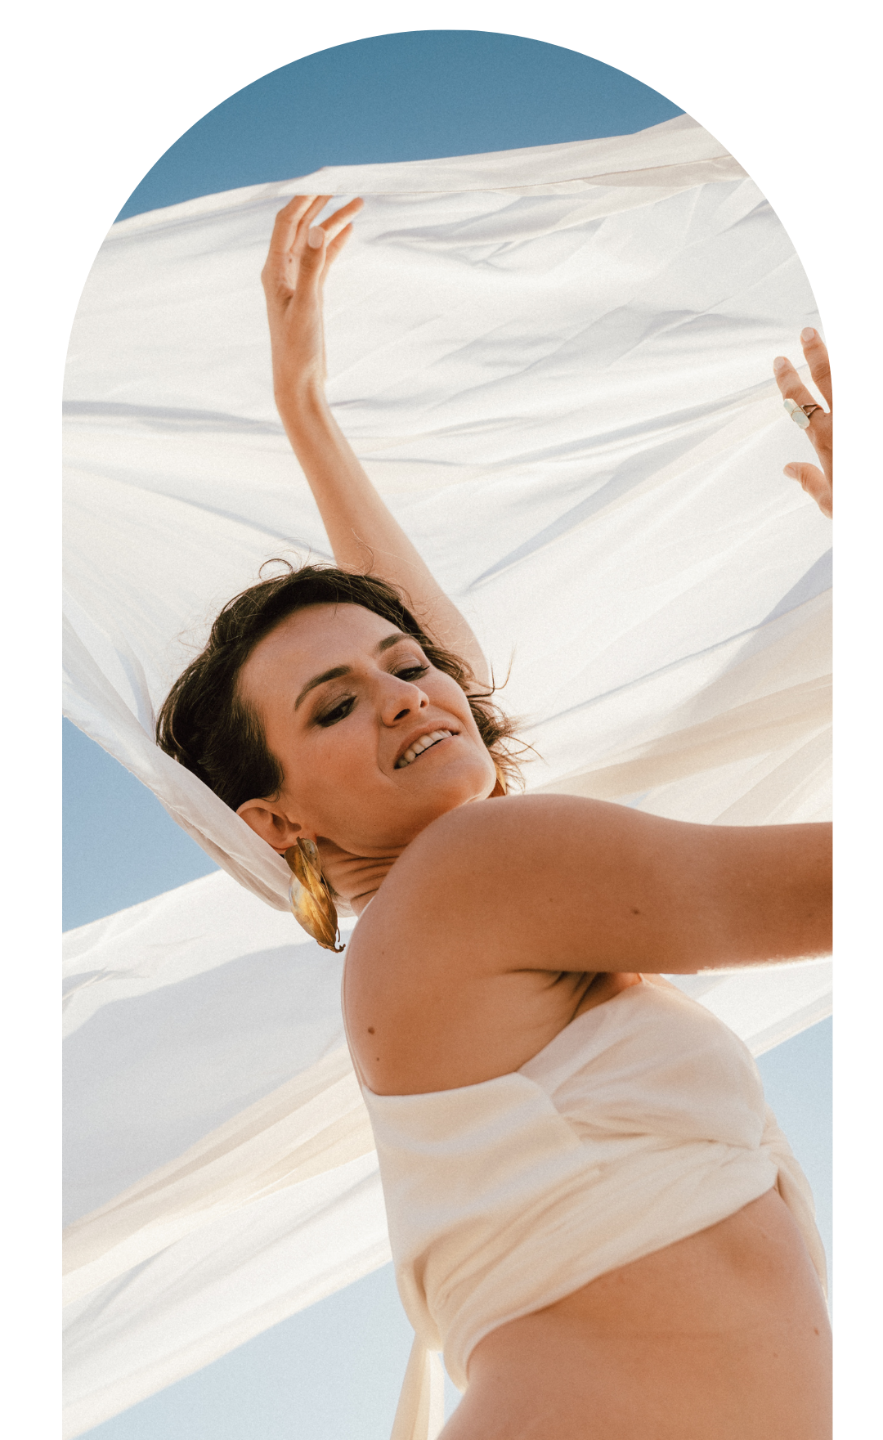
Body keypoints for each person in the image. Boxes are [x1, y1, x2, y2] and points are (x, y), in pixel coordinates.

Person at [156, 195, 834, 1439]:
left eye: (406, 665)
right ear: (274, 821)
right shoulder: (475, 874)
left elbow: (441, 694)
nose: (405, 697)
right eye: (331, 706)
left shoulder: (448, 921)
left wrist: (307, 416)